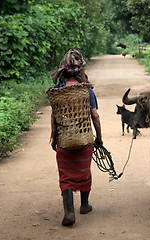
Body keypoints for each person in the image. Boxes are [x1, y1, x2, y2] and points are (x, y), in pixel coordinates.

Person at [49, 49, 103, 226]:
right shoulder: (86, 91)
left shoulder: (57, 91)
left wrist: (53, 137)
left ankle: (69, 212)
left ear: (63, 70)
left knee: (66, 175)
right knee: (83, 172)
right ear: (81, 71)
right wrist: (99, 138)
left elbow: (54, 117)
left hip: (64, 140)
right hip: (84, 140)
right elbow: (94, 115)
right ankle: (85, 205)